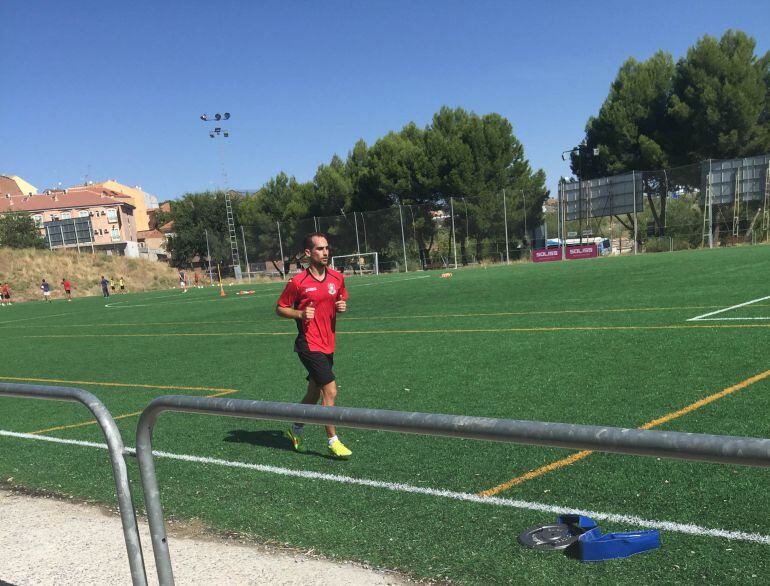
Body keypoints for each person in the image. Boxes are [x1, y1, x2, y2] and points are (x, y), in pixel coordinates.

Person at [276, 232, 351, 458]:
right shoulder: (298, 282)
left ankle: (295, 429)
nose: (325, 252)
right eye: (320, 249)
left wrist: (341, 305)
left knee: (313, 392)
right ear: (308, 253)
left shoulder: (337, 278)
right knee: (330, 389)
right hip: (308, 344)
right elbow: (280, 308)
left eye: (327, 248)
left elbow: (341, 297)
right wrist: (299, 313)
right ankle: (333, 440)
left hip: (328, 343)